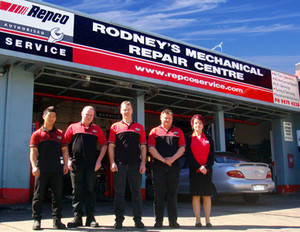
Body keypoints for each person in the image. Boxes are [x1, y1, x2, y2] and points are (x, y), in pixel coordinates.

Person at [64, 106, 107, 228]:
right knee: (77, 192)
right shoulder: (72, 127)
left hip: (91, 166)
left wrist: (99, 161)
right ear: (81, 113)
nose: (88, 117)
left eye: (91, 115)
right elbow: (65, 145)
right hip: (76, 165)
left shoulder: (97, 129)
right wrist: (68, 161)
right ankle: (77, 218)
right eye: (87, 114)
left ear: (93, 117)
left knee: (90, 191)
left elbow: (104, 145)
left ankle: (90, 218)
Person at [108, 100, 147, 229]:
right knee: (119, 194)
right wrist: (112, 162)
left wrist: (143, 163)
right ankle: (118, 220)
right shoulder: (115, 127)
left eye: (128, 109)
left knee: (136, 193)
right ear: (120, 111)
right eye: (124, 109)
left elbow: (143, 147)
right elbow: (111, 146)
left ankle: (138, 220)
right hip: (119, 165)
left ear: (132, 111)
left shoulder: (139, 127)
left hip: (135, 164)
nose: (126, 111)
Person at [30, 106, 69, 230]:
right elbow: (33, 152)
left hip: (57, 170)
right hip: (42, 170)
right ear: (43, 117)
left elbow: (65, 150)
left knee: (57, 196)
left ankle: (57, 221)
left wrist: (66, 164)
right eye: (49, 116)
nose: (52, 118)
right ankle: (37, 220)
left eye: (54, 116)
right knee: (38, 196)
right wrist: (34, 166)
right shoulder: (37, 134)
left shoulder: (60, 134)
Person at [148, 109, 186, 228]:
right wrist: (164, 160)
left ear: (172, 119)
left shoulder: (178, 131)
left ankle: (173, 221)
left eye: (169, 118)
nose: (167, 120)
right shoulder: (154, 131)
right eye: (165, 118)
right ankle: (158, 221)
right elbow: (151, 149)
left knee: (172, 194)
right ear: (160, 118)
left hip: (173, 167)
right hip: (158, 167)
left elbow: (182, 148)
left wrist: (172, 159)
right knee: (158, 195)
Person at [186, 114, 214, 228]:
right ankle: (198, 220)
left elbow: (212, 155)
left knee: (207, 196)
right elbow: (189, 156)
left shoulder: (209, 138)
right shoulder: (189, 139)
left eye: (200, 123)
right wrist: (198, 166)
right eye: (196, 123)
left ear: (203, 125)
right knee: (196, 196)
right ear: (192, 125)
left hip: (207, 172)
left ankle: (208, 220)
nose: (198, 125)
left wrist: (206, 167)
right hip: (194, 171)